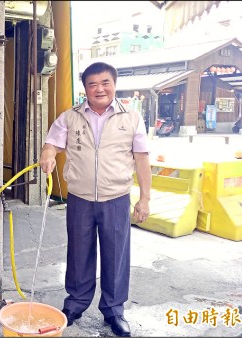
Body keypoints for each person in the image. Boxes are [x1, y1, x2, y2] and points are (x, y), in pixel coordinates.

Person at [39, 62, 151, 337]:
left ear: (114, 84)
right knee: (78, 253)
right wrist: (49, 153)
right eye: (92, 84)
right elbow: (52, 141)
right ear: (85, 88)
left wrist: (145, 198)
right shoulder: (70, 117)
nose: (99, 89)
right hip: (80, 197)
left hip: (116, 197)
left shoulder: (131, 118)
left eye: (105, 83)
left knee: (116, 256)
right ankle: (75, 304)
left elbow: (142, 158)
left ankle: (114, 310)